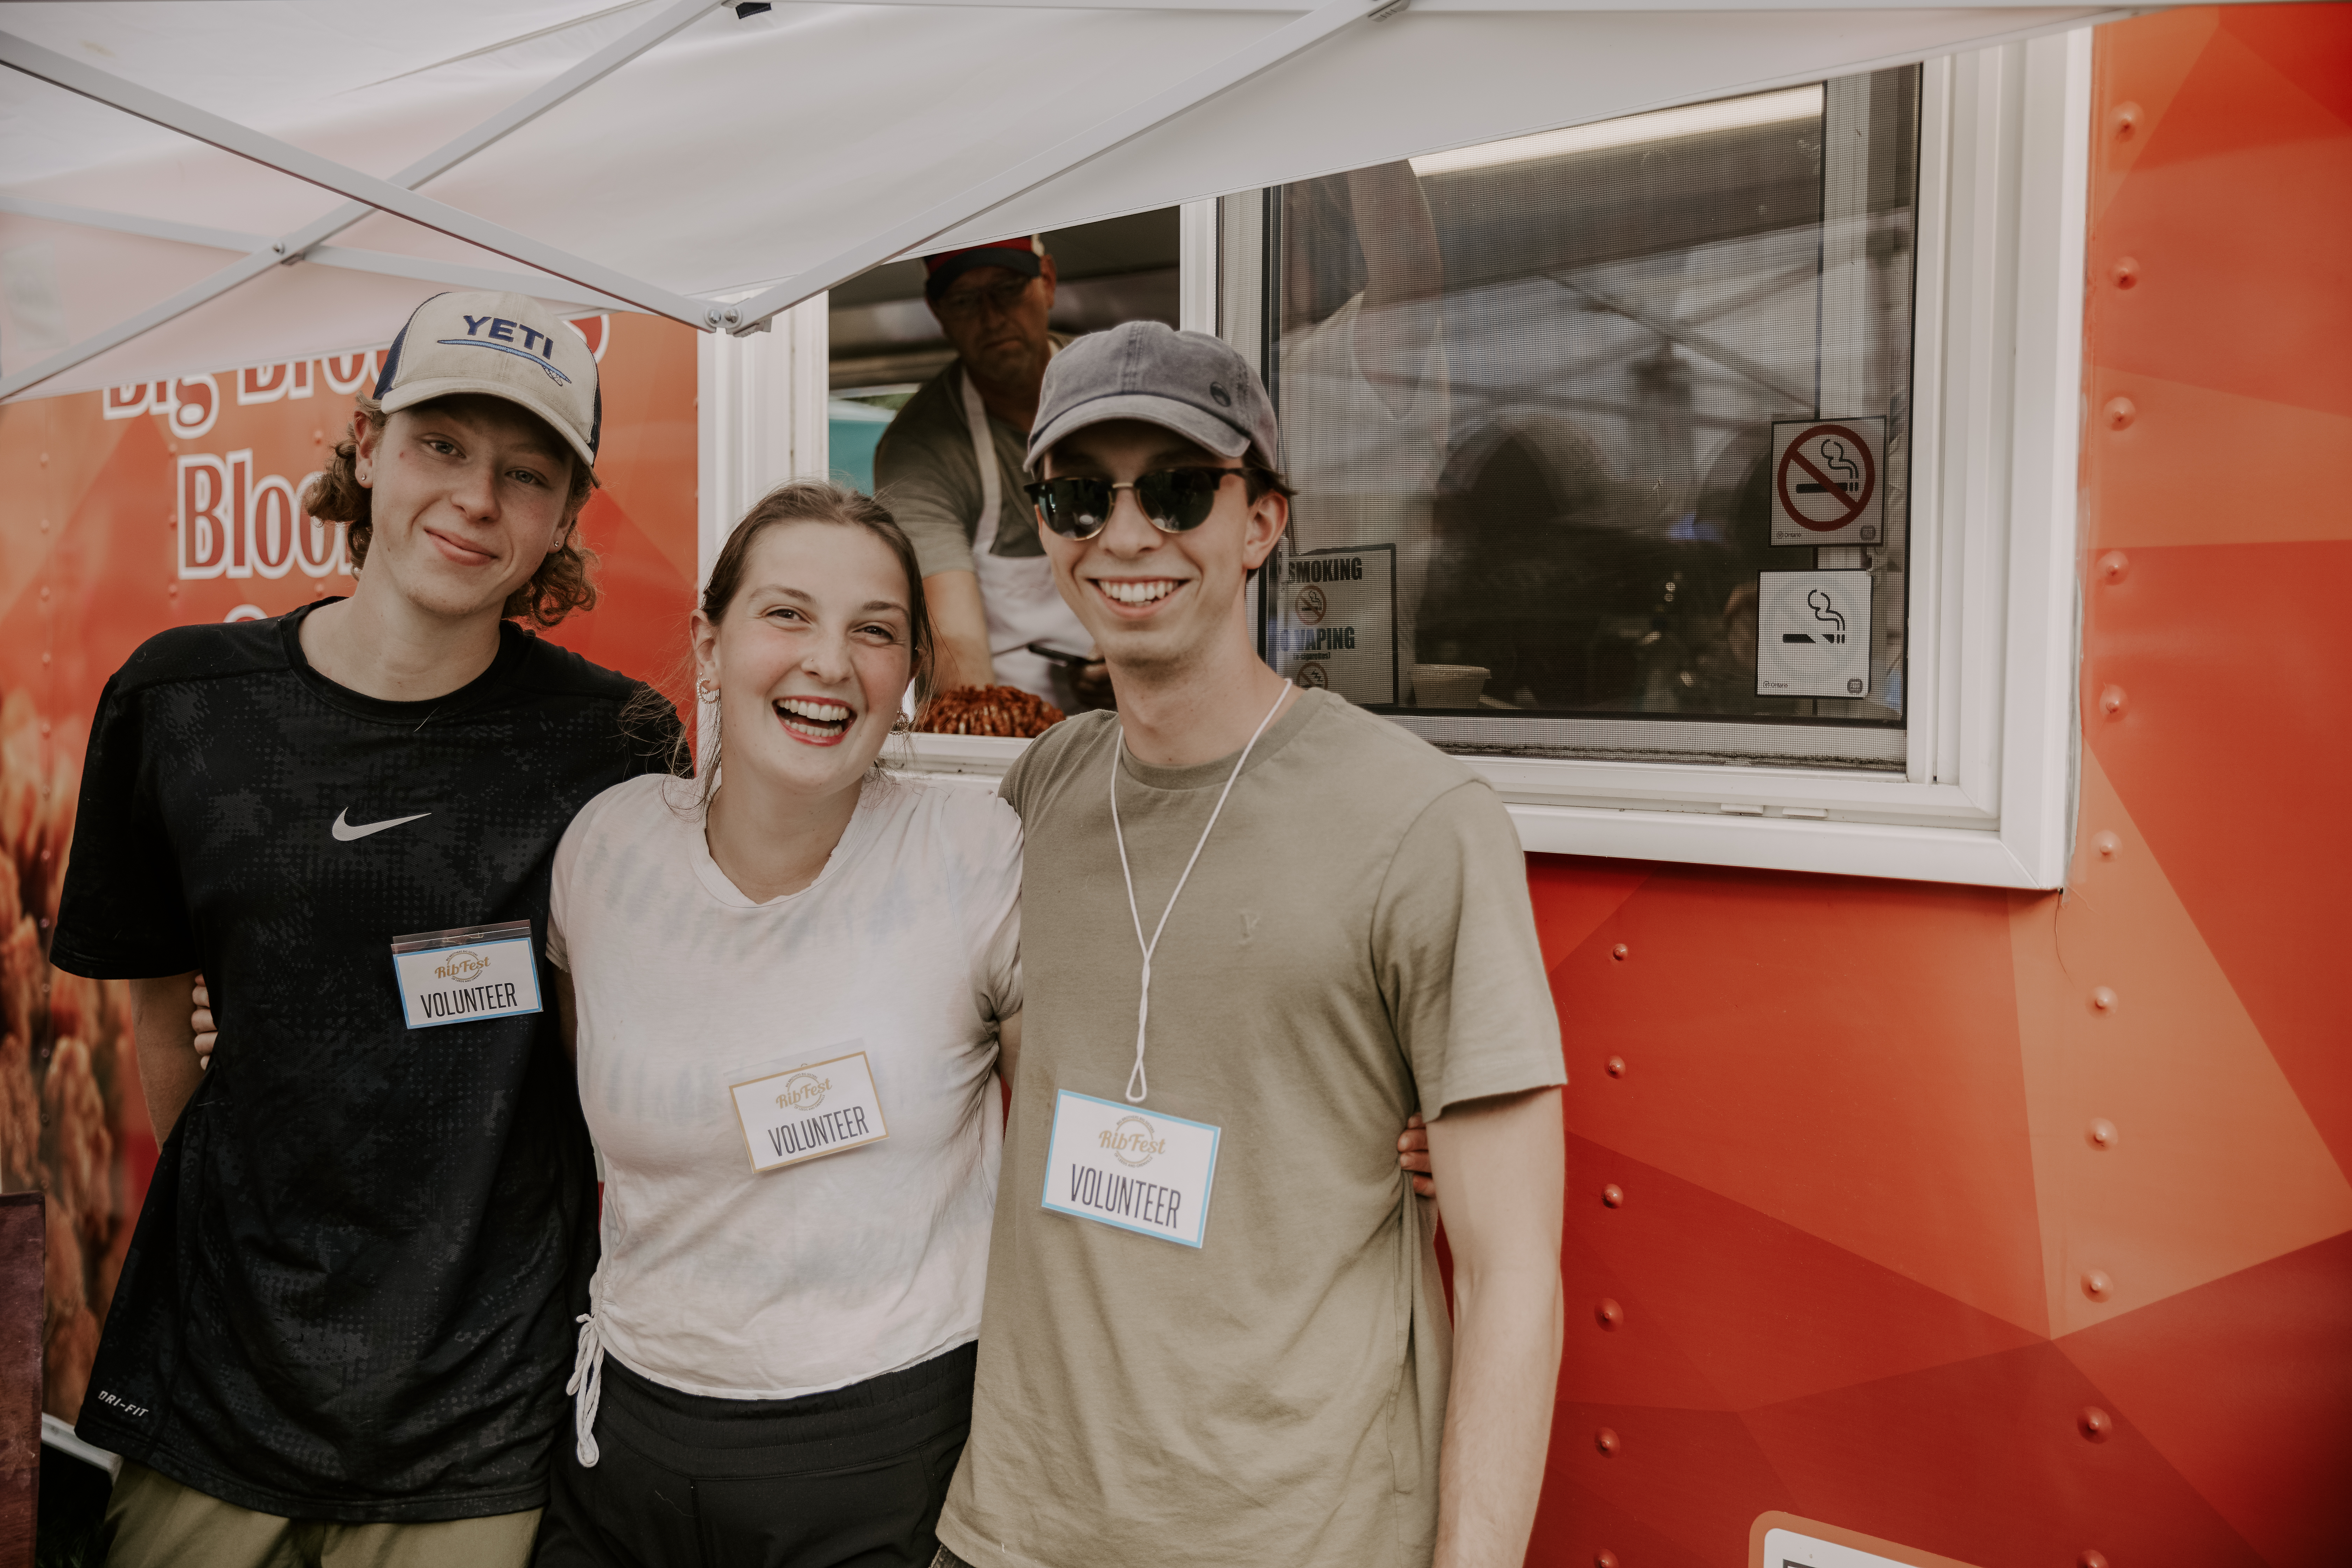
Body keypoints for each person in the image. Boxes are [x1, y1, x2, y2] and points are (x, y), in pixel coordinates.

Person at [50, 289, 677, 1566]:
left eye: (525, 473)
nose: (475, 501)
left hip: (476, 1418)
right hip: (218, 1390)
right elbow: (162, 1027)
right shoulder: (183, 705)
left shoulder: (617, 746)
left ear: (566, 516)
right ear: (366, 446)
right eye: (440, 446)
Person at [935, 322, 1567, 1568]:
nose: (1126, 536)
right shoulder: (1039, 794)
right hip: (1014, 1530)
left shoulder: (1420, 821)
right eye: (1077, 494)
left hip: (1298, 1537)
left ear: (1262, 525)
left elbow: (1513, 1275)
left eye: (1178, 489)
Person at [531, 483, 1021, 1567]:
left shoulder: (974, 854)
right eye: (787, 614)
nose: (829, 663)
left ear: (911, 679)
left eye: (875, 632)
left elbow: (1073, 1131)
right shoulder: (607, 851)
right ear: (710, 645)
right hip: (626, 1439)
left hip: (885, 1452)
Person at [872, 238, 1105, 711]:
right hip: (1004, 734)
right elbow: (953, 643)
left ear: (1048, 282)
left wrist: (1129, 655)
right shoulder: (920, 446)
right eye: (964, 299)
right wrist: (986, 739)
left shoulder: (1114, 388)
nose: (991, 316)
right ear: (937, 311)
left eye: (1007, 289)